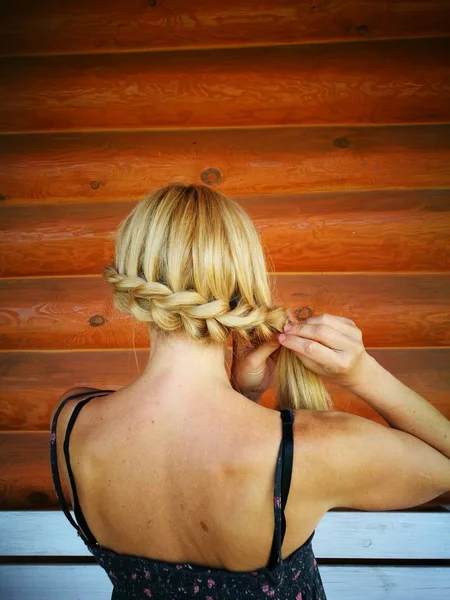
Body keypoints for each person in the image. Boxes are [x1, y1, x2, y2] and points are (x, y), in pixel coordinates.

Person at [49, 183, 450, 599]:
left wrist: (245, 396)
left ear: (132, 282)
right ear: (244, 283)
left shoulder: (73, 422)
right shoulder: (309, 449)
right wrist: (362, 373)